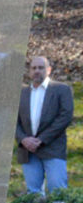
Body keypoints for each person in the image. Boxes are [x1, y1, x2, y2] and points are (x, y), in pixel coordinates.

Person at [16, 55, 74, 194]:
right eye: (34, 68)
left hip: (53, 147)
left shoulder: (62, 89)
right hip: (28, 150)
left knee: (58, 190)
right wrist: (23, 139)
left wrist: (41, 140)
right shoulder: (21, 93)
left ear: (49, 70)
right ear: (29, 71)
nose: (37, 71)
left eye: (41, 68)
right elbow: (12, 120)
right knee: (33, 192)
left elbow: (65, 116)